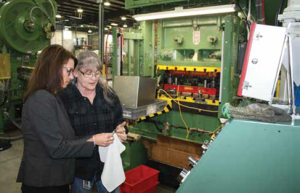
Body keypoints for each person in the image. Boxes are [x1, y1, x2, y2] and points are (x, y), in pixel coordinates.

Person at [17, 45, 113, 193]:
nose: (72, 76)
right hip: (44, 182)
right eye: (68, 71)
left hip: (56, 178)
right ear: (52, 68)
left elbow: (67, 137)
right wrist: (93, 141)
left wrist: (94, 138)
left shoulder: (51, 97)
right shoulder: (41, 99)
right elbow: (57, 148)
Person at [58, 51, 127, 193]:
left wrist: (122, 131)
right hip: (81, 169)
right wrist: (92, 140)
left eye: (97, 73)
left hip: (107, 166)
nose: (93, 78)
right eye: (88, 73)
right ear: (76, 73)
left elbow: (120, 122)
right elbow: (62, 139)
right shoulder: (64, 97)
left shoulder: (109, 94)